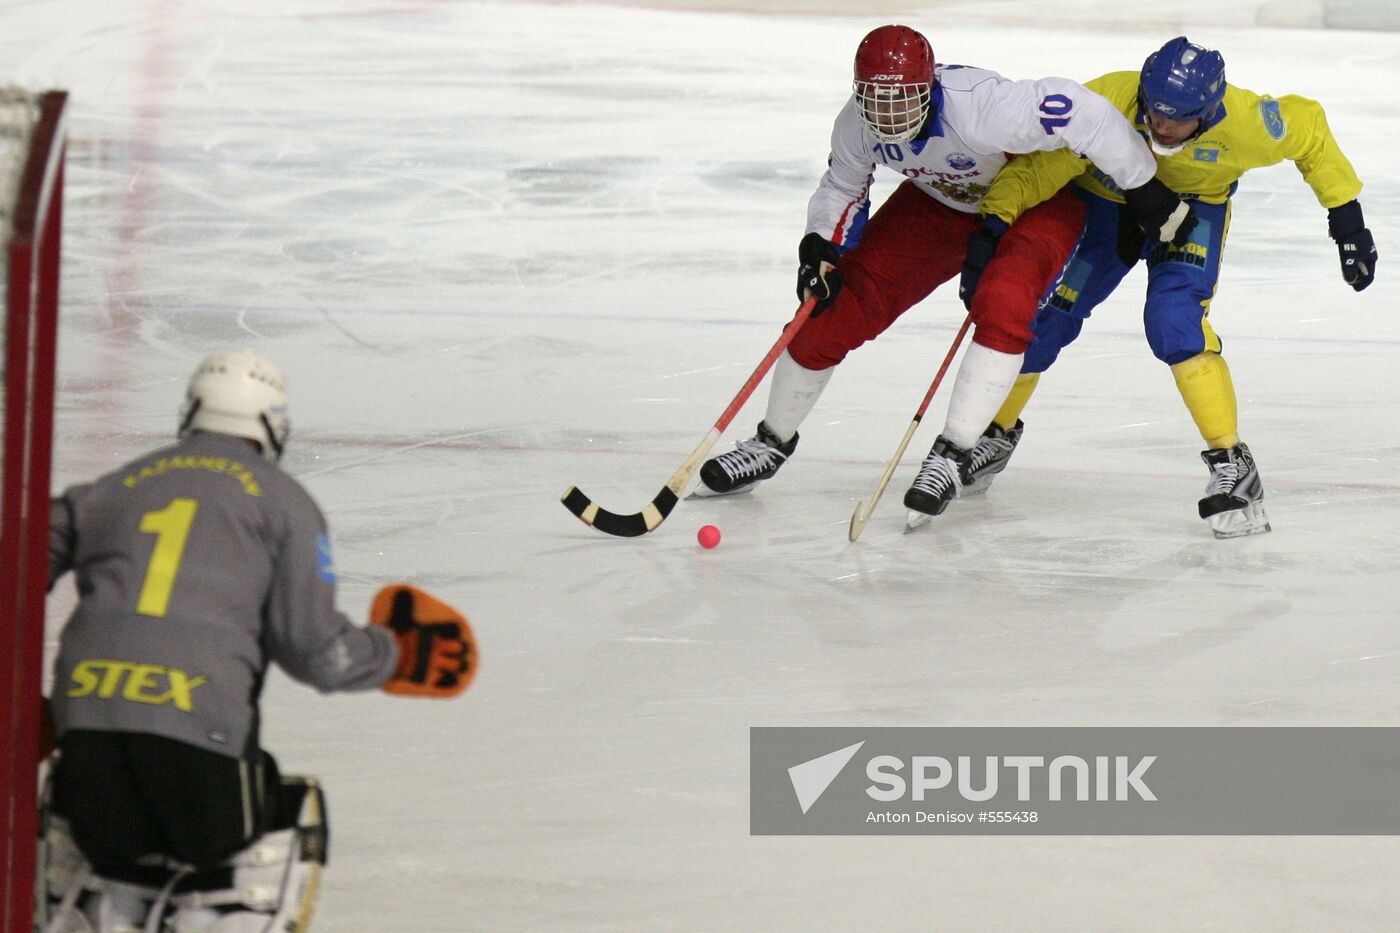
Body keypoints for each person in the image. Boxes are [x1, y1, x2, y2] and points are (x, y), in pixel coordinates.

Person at [41, 350, 476, 931]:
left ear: (192, 411)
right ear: (272, 425)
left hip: (86, 744)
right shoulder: (284, 502)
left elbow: (22, 554)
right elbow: (317, 652)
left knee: (108, 836)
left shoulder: (110, 488)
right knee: (286, 814)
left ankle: (93, 906)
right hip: (200, 752)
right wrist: (392, 652)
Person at [693, 23, 1195, 522]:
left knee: (1003, 305)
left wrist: (1143, 186)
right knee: (829, 311)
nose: (888, 115)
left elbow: (1081, 109)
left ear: (930, 86)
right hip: (938, 204)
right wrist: (819, 246)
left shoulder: (981, 108)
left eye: (903, 98)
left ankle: (954, 453)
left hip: (1034, 202)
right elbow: (842, 187)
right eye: (875, 100)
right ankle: (771, 442)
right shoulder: (854, 124)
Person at [957, 36, 1376, 537]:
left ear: (1209, 110)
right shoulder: (1111, 99)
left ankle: (1232, 462)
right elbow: (1042, 165)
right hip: (1105, 201)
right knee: (1047, 318)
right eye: (1153, 111)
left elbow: (1307, 127)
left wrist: (1347, 220)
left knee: (1173, 321)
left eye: (1176, 118)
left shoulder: (1247, 122)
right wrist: (994, 224)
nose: (1159, 125)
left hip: (1194, 207)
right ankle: (995, 434)